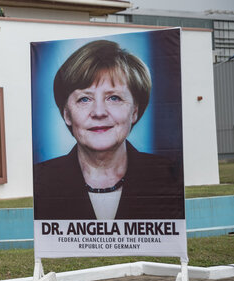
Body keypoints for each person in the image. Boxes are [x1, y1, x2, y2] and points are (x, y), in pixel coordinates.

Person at [33, 40, 183, 220]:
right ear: (67, 115)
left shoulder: (169, 176)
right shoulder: (41, 180)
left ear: (134, 111)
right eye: (84, 99)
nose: (99, 112)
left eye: (114, 98)